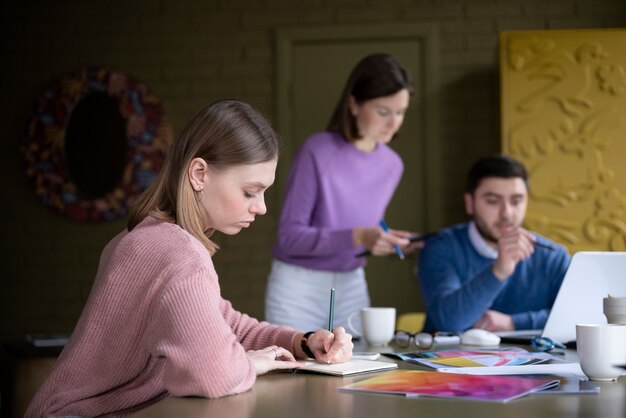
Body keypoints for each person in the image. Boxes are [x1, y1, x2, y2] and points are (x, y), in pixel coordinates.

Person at [26, 100, 353, 418]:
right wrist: (249, 363)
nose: (261, 207)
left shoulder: (148, 238)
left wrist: (301, 342)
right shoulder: (178, 253)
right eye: (250, 192)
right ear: (199, 174)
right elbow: (213, 374)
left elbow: (226, 323)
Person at [265, 53, 421, 331]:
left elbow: (363, 224)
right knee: (294, 369)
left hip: (351, 284)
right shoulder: (317, 151)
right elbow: (290, 238)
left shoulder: (392, 165)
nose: (393, 122)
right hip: (298, 288)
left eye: (401, 112)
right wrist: (360, 236)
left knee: (358, 371)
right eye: (383, 111)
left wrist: (388, 238)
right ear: (353, 104)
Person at [418, 154, 571, 333]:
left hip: (534, 360)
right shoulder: (440, 247)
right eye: (493, 201)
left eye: (516, 201)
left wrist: (513, 323)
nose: (507, 213)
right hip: (447, 359)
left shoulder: (553, 256)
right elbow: (449, 322)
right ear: (470, 203)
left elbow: (579, 317)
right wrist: (499, 270)